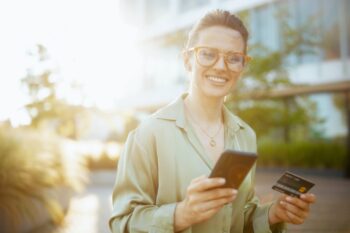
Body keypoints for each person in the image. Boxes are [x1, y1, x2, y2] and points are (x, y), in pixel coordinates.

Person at [109, 9, 316, 233]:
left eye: (233, 58)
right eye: (208, 54)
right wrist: (182, 214)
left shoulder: (245, 135)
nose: (220, 66)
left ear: (243, 65)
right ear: (187, 60)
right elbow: (122, 223)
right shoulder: (148, 134)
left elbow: (239, 216)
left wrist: (273, 214)